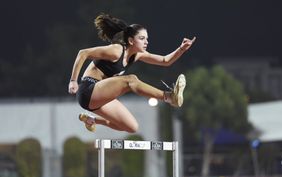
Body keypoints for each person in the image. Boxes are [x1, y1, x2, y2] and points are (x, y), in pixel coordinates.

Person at [68, 13, 196, 133]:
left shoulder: (137, 55)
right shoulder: (116, 51)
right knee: (130, 80)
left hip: (99, 97)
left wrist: (181, 49)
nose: (146, 42)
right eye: (142, 38)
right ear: (130, 41)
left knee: (131, 127)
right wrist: (73, 81)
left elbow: (165, 60)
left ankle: (91, 119)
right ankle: (169, 97)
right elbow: (83, 53)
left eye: (147, 38)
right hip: (88, 91)